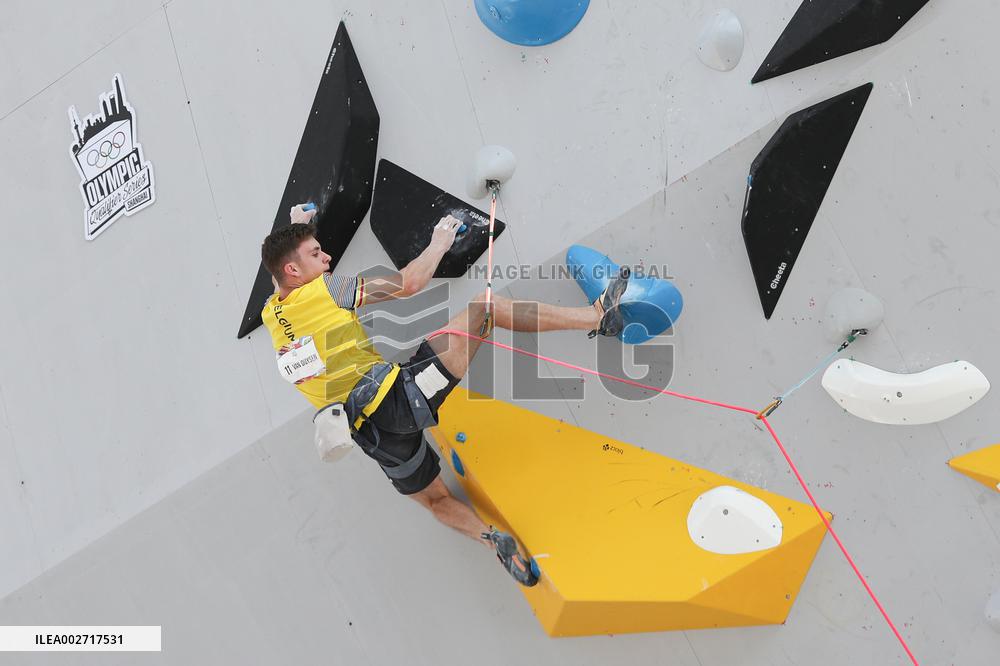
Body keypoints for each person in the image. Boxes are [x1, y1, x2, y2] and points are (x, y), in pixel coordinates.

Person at [260, 204, 629, 586]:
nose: (328, 257)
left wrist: (296, 229)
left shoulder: (274, 313)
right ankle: (600, 316)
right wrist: (439, 242)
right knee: (486, 310)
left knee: (434, 499)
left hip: (374, 438)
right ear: (294, 269)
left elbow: (280, 274)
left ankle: (490, 540)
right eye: (317, 253)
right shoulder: (327, 289)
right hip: (400, 400)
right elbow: (409, 283)